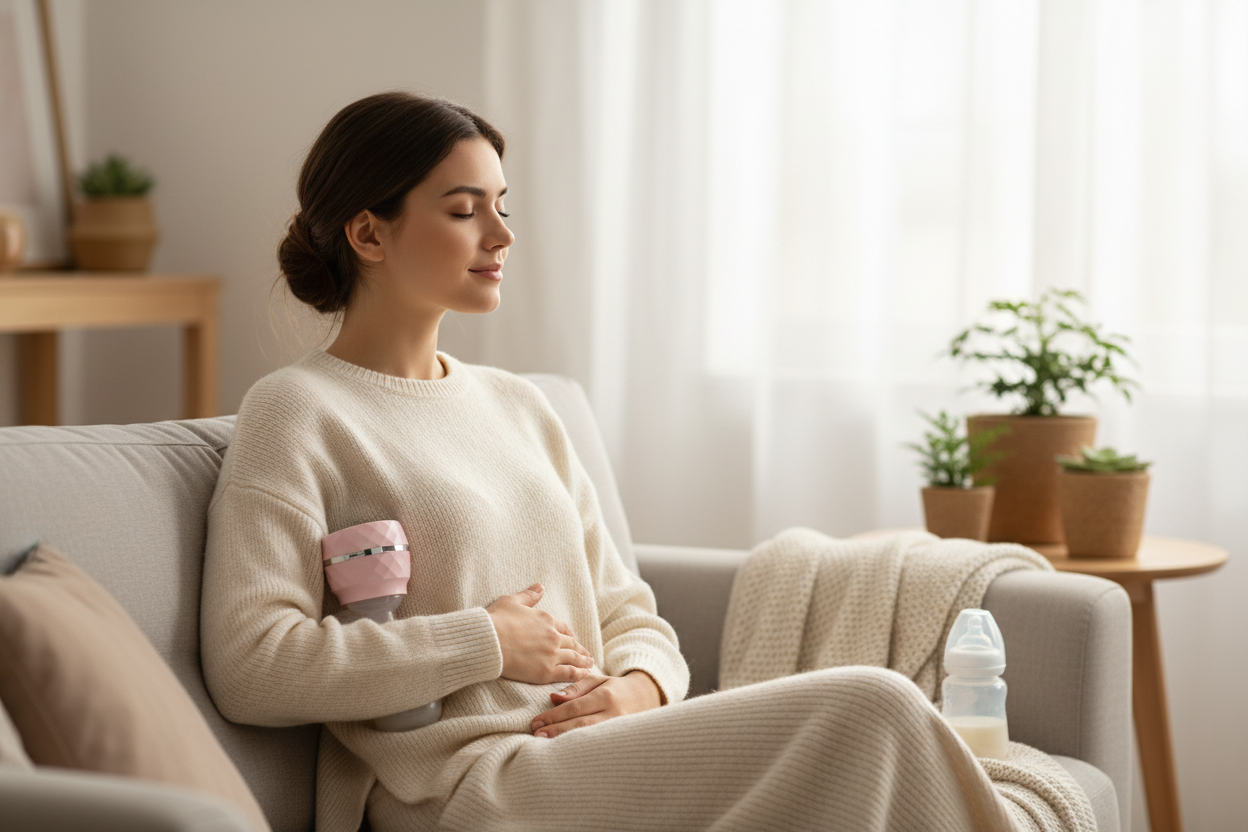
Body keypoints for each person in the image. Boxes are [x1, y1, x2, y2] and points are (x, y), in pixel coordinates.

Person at [201, 91, 1010, 832]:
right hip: (463, 785)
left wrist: (636, 688)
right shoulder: (298, 411)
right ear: (369, 232)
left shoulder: (522, 407)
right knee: (870, 706)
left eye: (503, 208)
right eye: (463, 210)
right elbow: (252, 665)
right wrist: (482, 642)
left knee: (867, 747)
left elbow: (634, 615)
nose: (502, 236)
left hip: (599, 752)